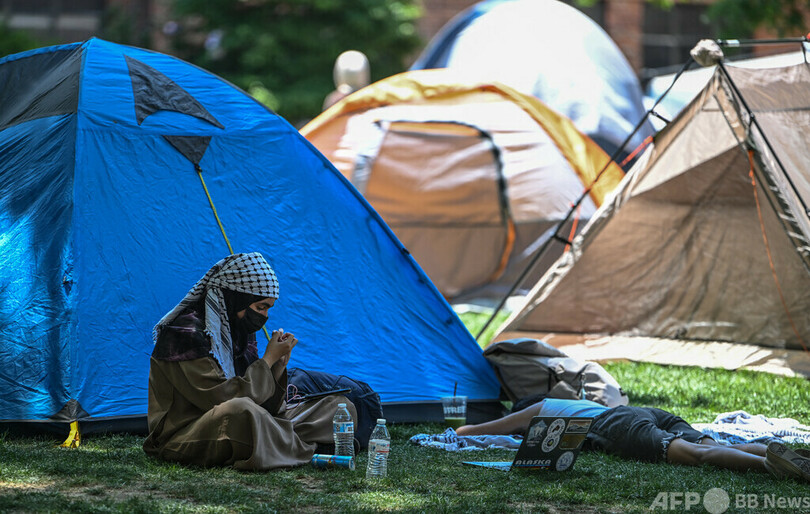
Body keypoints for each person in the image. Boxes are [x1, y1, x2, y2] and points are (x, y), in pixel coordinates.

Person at [143, 252, 356, 470]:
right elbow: (220, 399)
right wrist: (267, 359)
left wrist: (278, 365)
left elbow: (264, 403)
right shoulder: (185, 332)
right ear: (236, 298)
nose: (265, 316)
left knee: (338, 407)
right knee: (243, 412)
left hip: (248, 418)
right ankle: (302, 447)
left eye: (268, 309)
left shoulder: (237, 328)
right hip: (186, 434)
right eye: (260, 307)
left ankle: (281, 443)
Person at [455, 397, 810, 482]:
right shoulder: (572, 402)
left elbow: (477, 431)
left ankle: (772, 466)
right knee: (715, 446)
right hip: (641, 411)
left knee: (694, 455)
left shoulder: (540, 408)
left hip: (616, 423)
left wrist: (462, 430)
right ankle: (784, 455)